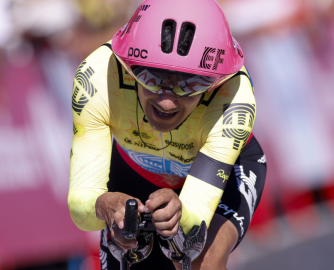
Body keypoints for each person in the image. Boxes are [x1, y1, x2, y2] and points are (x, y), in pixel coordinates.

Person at [68, 0, 267, 269]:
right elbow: (82, 209)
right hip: (133, 169)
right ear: (127, 67)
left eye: (190, 84)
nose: (166, 102)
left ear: (215, 83)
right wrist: (105, 204)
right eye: (150, 77)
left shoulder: (234, 99)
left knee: (203, 260)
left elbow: (195, 221)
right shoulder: (97, 78)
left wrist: (182, 215)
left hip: (222, 172)